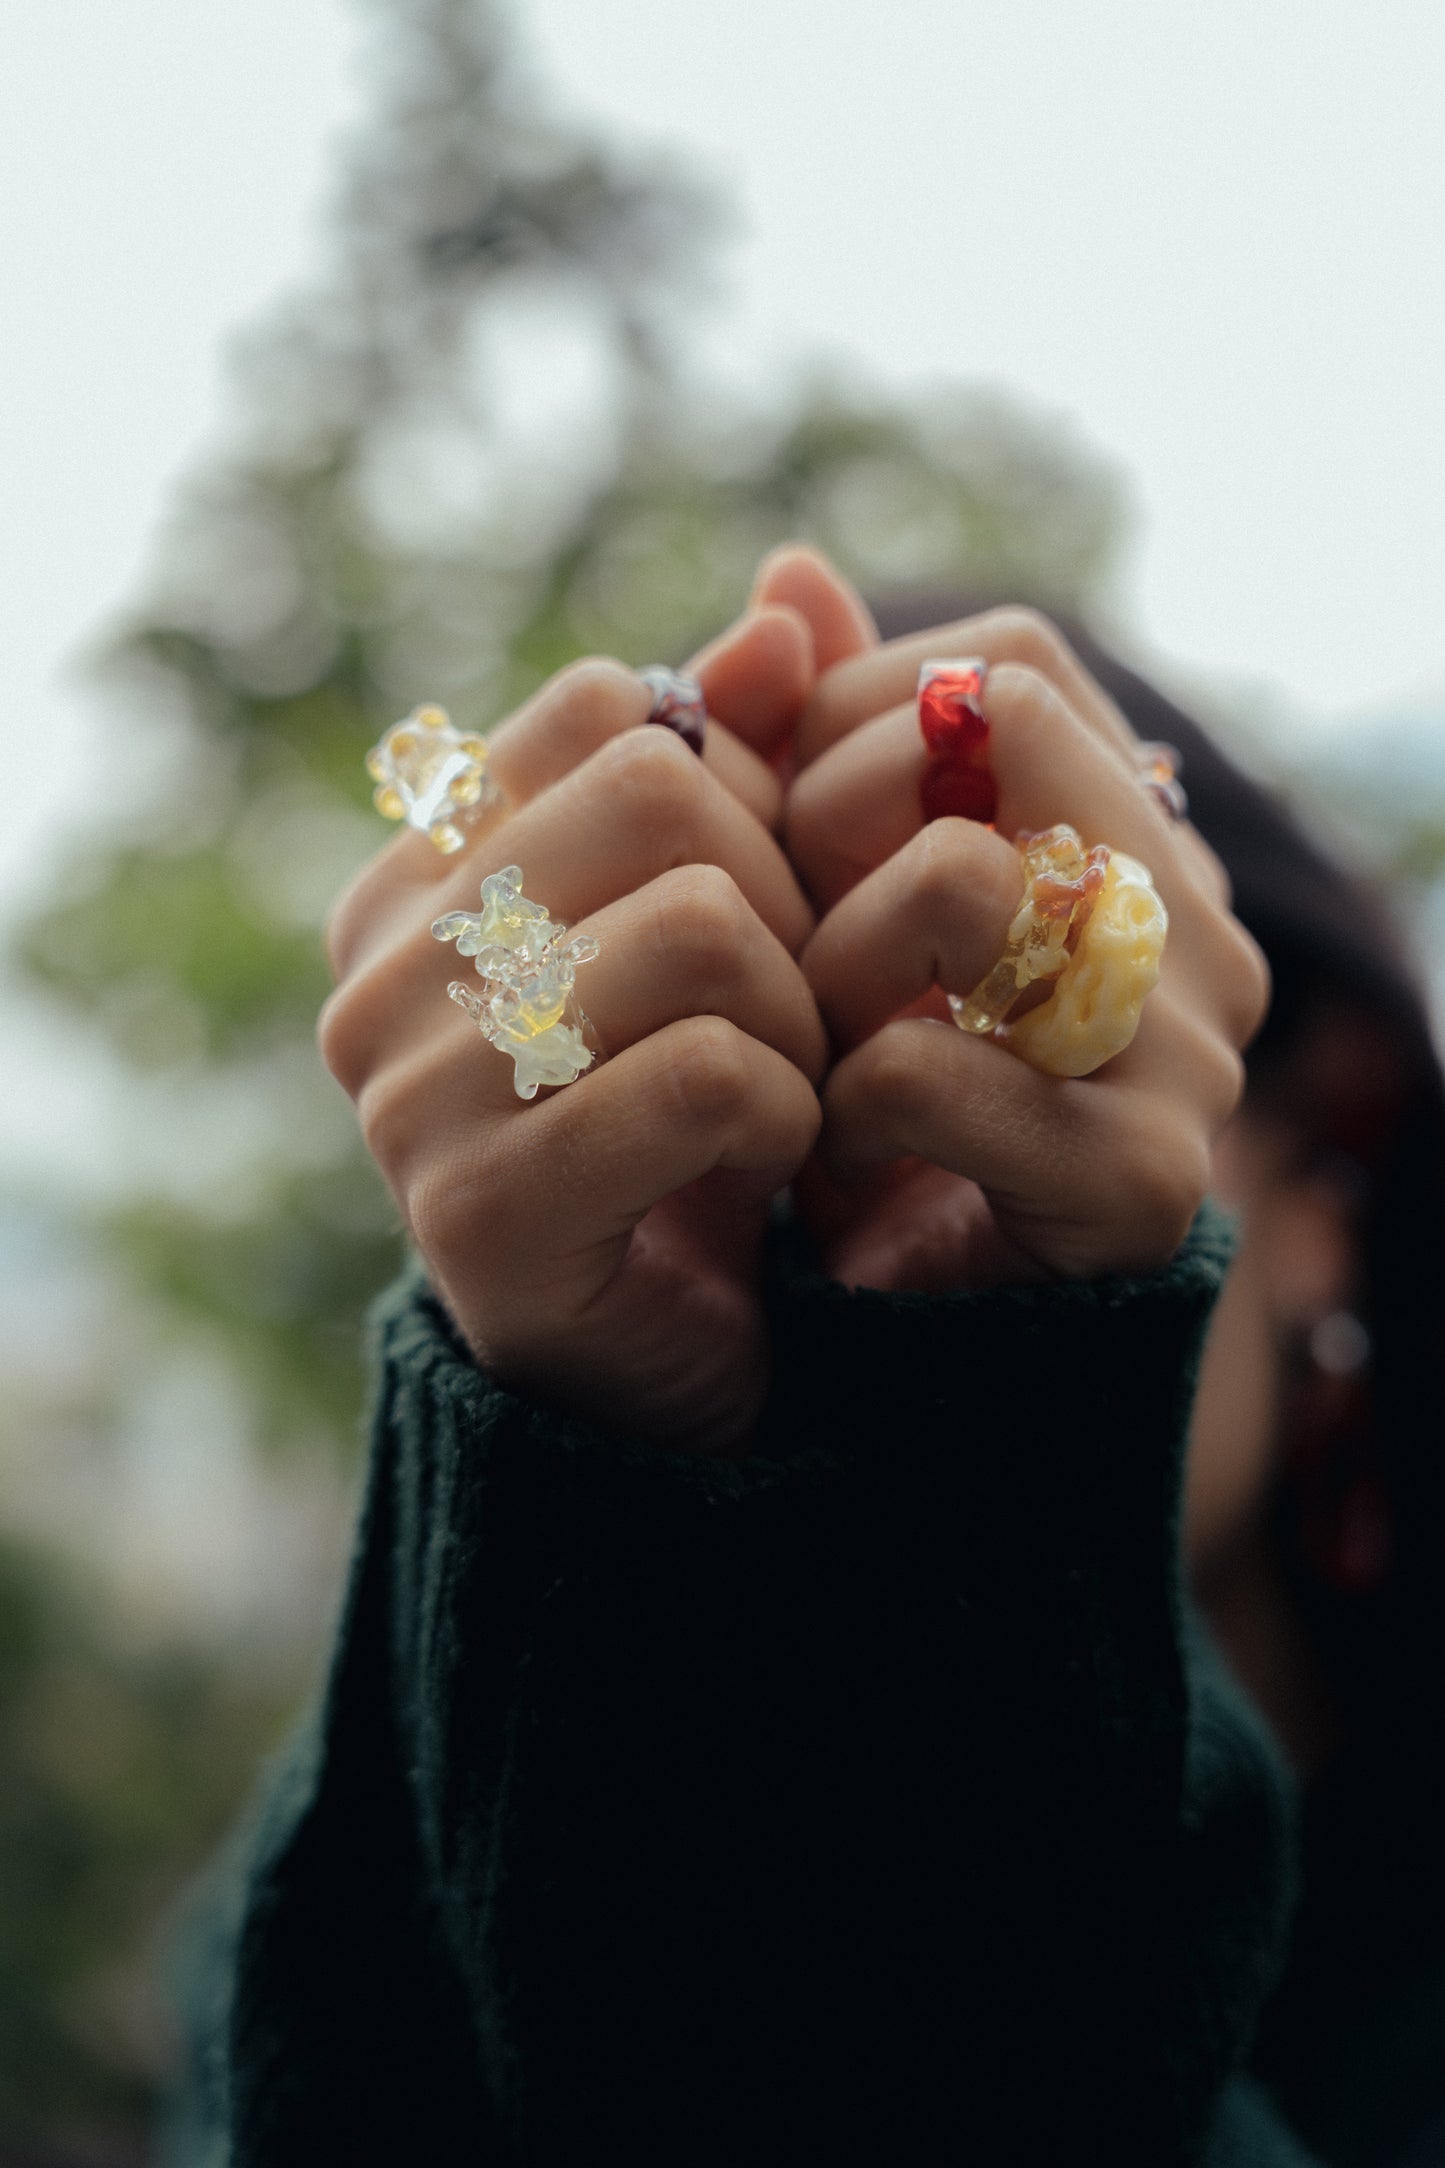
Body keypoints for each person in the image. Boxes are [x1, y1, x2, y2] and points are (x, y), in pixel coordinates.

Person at [170, 549, 1445, 2165]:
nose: (811, 1198)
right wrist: (583, 1435)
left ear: (1330, 1148)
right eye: (659, 1108)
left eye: (956, 1050)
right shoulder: (333, 1917)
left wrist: (1016, 1433)